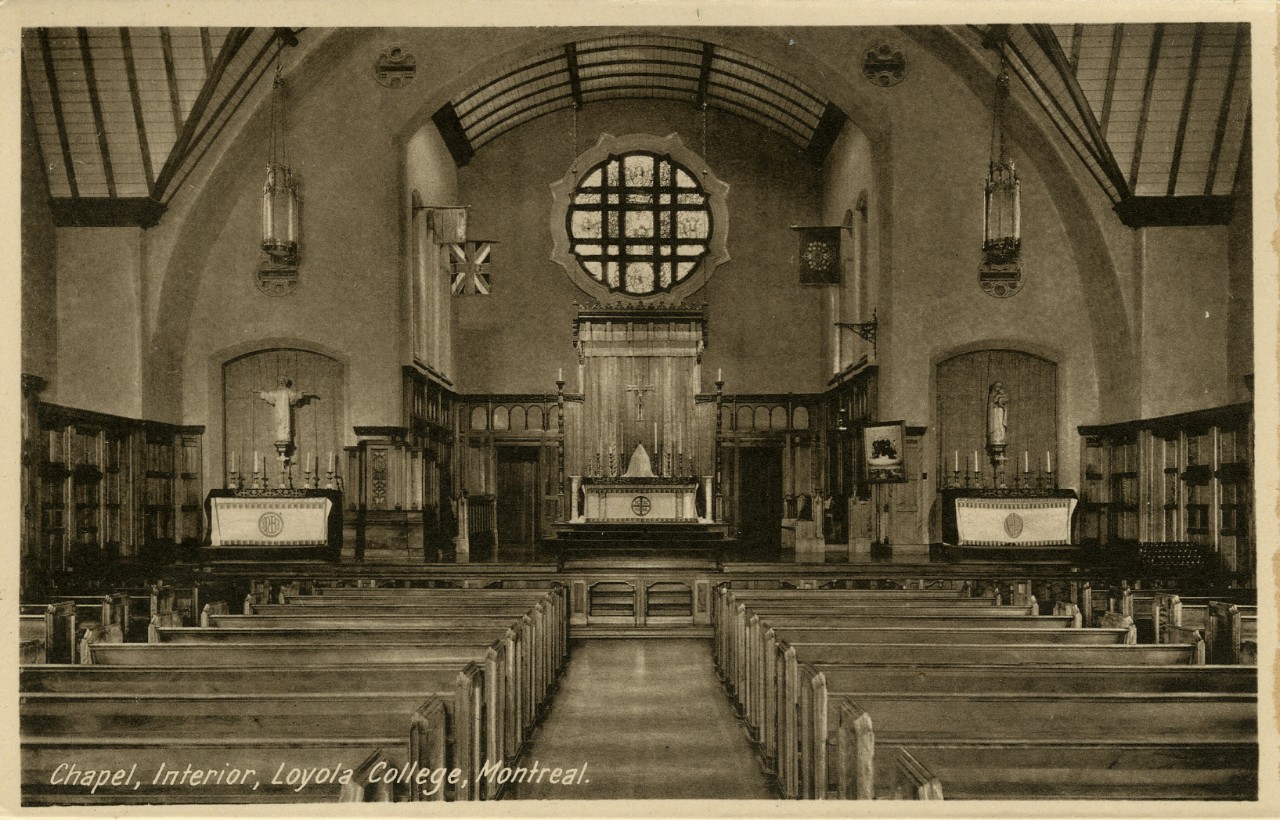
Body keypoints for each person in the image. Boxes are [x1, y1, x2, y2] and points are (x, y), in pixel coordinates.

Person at [256, 376, 317, 444]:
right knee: (278, 425)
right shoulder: (275, 392)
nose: (281, 382)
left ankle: (285, 439)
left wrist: (300, 394)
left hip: (286, 413)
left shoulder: (288, 392)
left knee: (285, 425)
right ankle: (279, 439)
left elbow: (293, 399)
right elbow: (271, 399)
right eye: (280, 381)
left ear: (285, 382)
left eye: (283, 381)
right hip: (278, 412)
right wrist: (263, 394)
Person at [987, 381, 1009, 447]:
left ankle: (1001, 438)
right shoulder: (992, 395)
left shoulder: (1003, 394)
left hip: (1000, 412)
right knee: (996, 425)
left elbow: (1005, 401)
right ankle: (995, 438)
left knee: (1001, 425)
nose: (998, 389)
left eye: (1000, 387)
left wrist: (1002, 403)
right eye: (997, 387)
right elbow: (991, 403)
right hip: (995, 413)